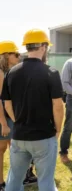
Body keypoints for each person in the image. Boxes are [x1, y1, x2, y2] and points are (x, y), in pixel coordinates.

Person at [2, 29, 64, 191]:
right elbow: (58, 106)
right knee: (46, 182)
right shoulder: (51, 72)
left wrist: (19, 121)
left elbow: (7, 104)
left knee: (14, 181)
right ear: (43, 47)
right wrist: (58, 130)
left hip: (19, 136)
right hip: (44, 136)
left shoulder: (11, 73)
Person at [0, 41, 38, 190]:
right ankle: (2, 182)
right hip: (4, 118)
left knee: (17, 149)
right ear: (5, 56)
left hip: (14, 116)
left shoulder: (12, 71)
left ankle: (20, 178)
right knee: (2, 149)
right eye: (15, 54)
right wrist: (3, 123)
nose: (18, 56)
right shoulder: (0, 73)